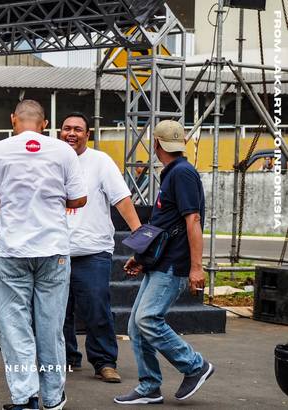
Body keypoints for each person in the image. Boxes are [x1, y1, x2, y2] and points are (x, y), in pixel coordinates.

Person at [0, 100, 88, 410]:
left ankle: (25, 398)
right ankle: (53, 398)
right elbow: (79, 199)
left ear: (13, 120)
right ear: (45, 123)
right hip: (54, 250)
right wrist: (50, 201)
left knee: (14, 328)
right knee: (51, 329)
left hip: (12, 251)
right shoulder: (63, 152)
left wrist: (13, 202)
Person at [115, 120, 213, 405]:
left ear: (155, 144)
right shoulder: (173, 173)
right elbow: (166, 225)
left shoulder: (181, 174)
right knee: (136, 327)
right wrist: (142, 258)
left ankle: (195, 366)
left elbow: (193, 220)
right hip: (161, 262)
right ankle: (149, 387)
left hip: (173, 264)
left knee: (147, 319)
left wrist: (196, 267)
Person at [59, 112, 141, 383]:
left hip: (93, 252)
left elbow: (122, 199)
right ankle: (66, 358)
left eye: (78, 129)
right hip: (56, 251)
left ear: (87, 135)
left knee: (97, 308)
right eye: (67, 128)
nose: (72, 133)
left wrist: (140, 237)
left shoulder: (100, 161)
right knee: (57, 312)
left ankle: (104, 362)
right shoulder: (52, 160)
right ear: (59, 132)